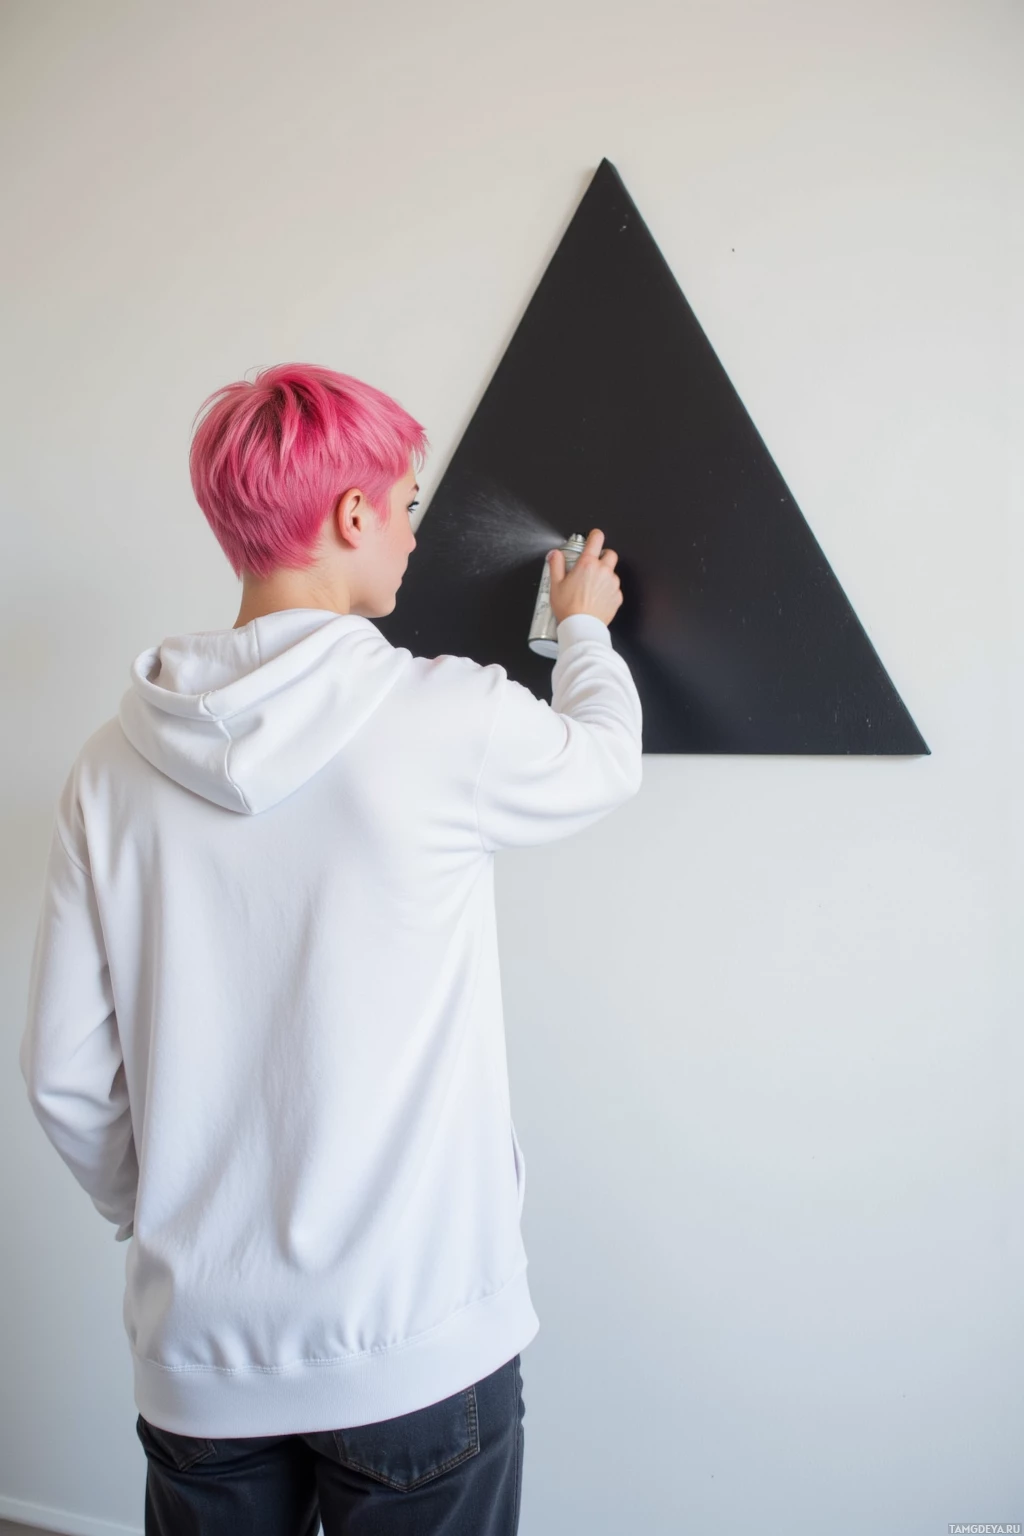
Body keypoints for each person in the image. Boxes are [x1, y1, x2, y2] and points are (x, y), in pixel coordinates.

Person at [19, 362, 643, 1535]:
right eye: (406, 506)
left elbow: (61, 1076)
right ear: (350, 515)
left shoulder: (110, 765)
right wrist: (584, 635)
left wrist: (177, 1222)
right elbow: (605, 761)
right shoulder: (445, 718)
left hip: (199, 1358)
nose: (413, 536)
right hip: (416, 1344)